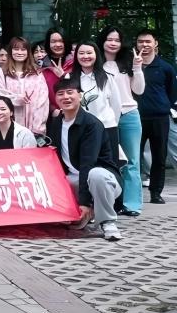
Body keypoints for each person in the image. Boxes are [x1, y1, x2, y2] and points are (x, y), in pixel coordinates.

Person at [47, 76, 123, 241]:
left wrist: (84, 202)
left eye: (70, 92)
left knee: (96, 175)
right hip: (75, 178)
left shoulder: (91, 124)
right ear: (56, 98)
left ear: (80, 95)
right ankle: (78, 215)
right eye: (61, 94)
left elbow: (88, 164)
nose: (66, 97)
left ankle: (108, 222)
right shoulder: (56, 123)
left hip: (103, 179)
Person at [98, 26, 145, 215]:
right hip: (106, 117)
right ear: (102, 41)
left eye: (117, 40)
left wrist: (137, 67)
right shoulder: (97, 63)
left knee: (132, 161)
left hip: (129, 114)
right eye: (109, 39)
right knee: (109, 160)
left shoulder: (127, 61)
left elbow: (139, 90)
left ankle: (132, 205)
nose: (113, 43)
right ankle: (112, 202)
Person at [134, 29, 176, 205]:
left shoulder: (165, 67)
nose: (144, 45)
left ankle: (156, 192)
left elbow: (172, 92)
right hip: (136, 117)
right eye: (140, 41)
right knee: (133, 157)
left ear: (155, 43)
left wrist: (164, 106)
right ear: (136, 44)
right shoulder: (131, 66)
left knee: (159, 157)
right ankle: (133, 193)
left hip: (159, 118)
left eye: (148, 41)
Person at [0, 37, 51, 136]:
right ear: (10, 51)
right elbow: (0, 98)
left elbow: (43, 101)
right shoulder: (3, 74)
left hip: (33, 128)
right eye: (16, 49)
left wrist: (37, 128)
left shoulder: (37, 74)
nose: (20, 52)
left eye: (23, 49)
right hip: (8, 127)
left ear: (28, 52)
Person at [41, 28, 73, 114]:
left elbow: (80, 88)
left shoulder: (76, 62)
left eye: (61, 41)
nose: (57, 44)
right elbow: (40, 94)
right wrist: (53, 110)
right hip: (51, 114)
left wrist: (63, 76)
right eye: (53, 41)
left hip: (74, 112)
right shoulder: (42, 66)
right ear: (48, 43)